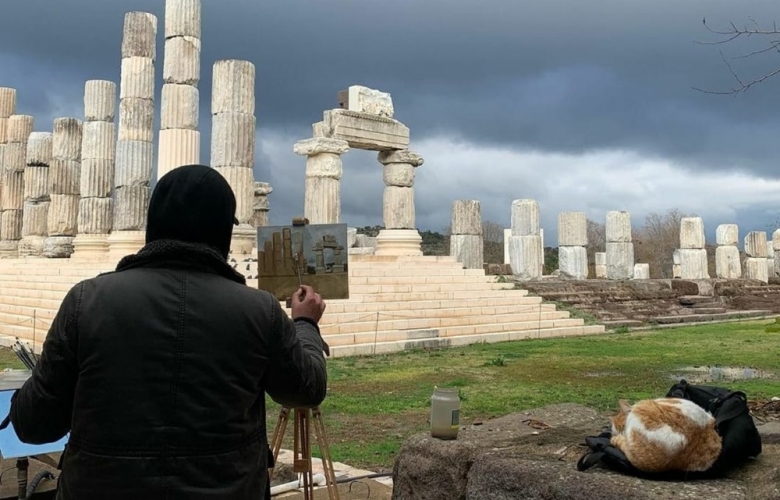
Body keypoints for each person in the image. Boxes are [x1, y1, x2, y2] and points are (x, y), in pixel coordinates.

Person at [9, 164, 328, 500]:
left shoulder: (86, 301)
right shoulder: (260, 312)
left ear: (153, 223)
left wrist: (27, 392)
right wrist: (305, 324)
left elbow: (34, 424)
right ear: (223, 232)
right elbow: (307, 389)